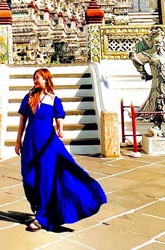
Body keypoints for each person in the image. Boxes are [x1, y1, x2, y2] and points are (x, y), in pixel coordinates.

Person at [15, 67, 107, 232]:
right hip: (30, 143)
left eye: (39, 78)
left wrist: (60, 129)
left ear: (46, 80)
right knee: (28, 177)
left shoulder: (53, 99)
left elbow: (59, 120)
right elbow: (22, 121)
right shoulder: (28, 98)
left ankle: (41, 217)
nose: (35, 80)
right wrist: (17, 142)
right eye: (34, 78)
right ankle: (41, 209)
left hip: (48, 144)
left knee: (45, 179)